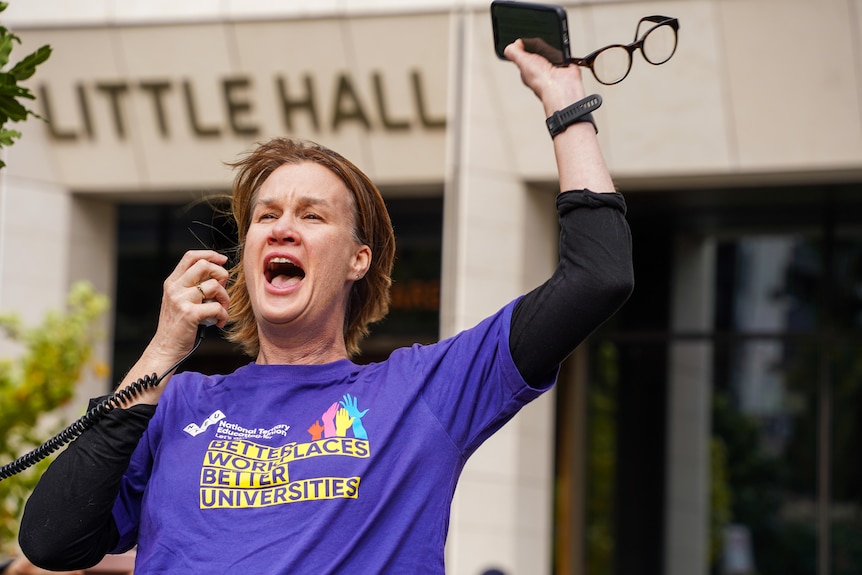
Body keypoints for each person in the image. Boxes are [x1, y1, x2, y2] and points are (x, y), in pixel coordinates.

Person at [18, 38, 633, 573]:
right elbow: (50, 540)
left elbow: (596, 277)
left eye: (312, 216)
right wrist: (158, 355)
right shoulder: (175, 403)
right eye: (267, 216)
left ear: (358, 260)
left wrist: (563, 99)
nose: (283, 228)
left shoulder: (424, 391)